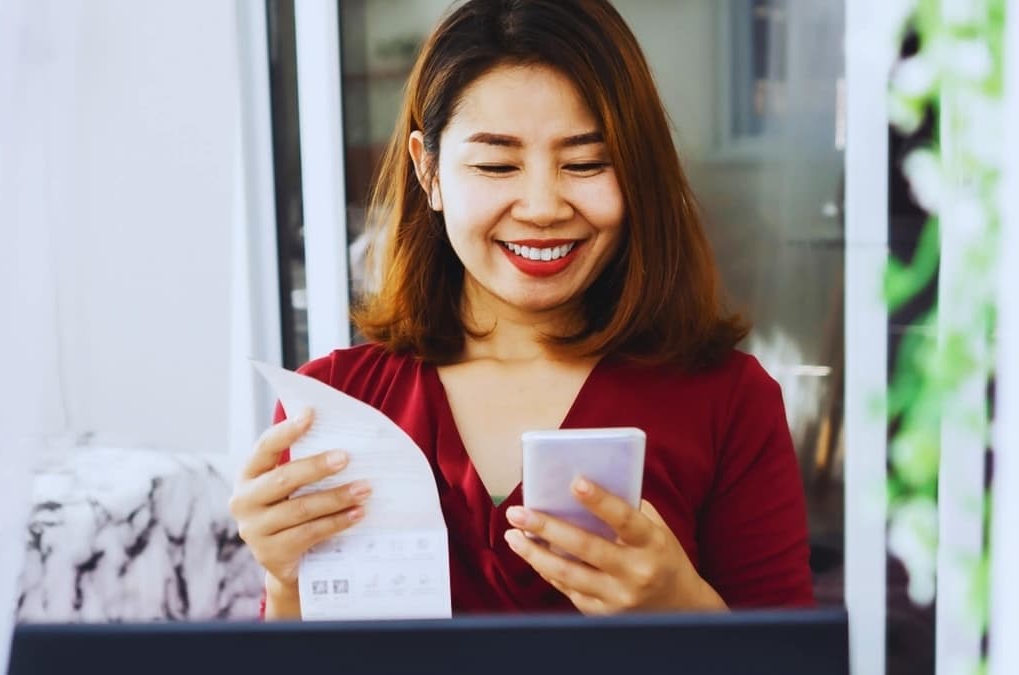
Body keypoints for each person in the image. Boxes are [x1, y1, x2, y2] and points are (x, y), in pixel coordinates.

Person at [229, 0, 813, 618]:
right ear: (428, 171)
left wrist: (683, 609)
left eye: (586, 163)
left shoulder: (726, 402)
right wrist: (288, 582)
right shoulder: (337, 404)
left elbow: (795, 657)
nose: (542, 206)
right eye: (496, 165)